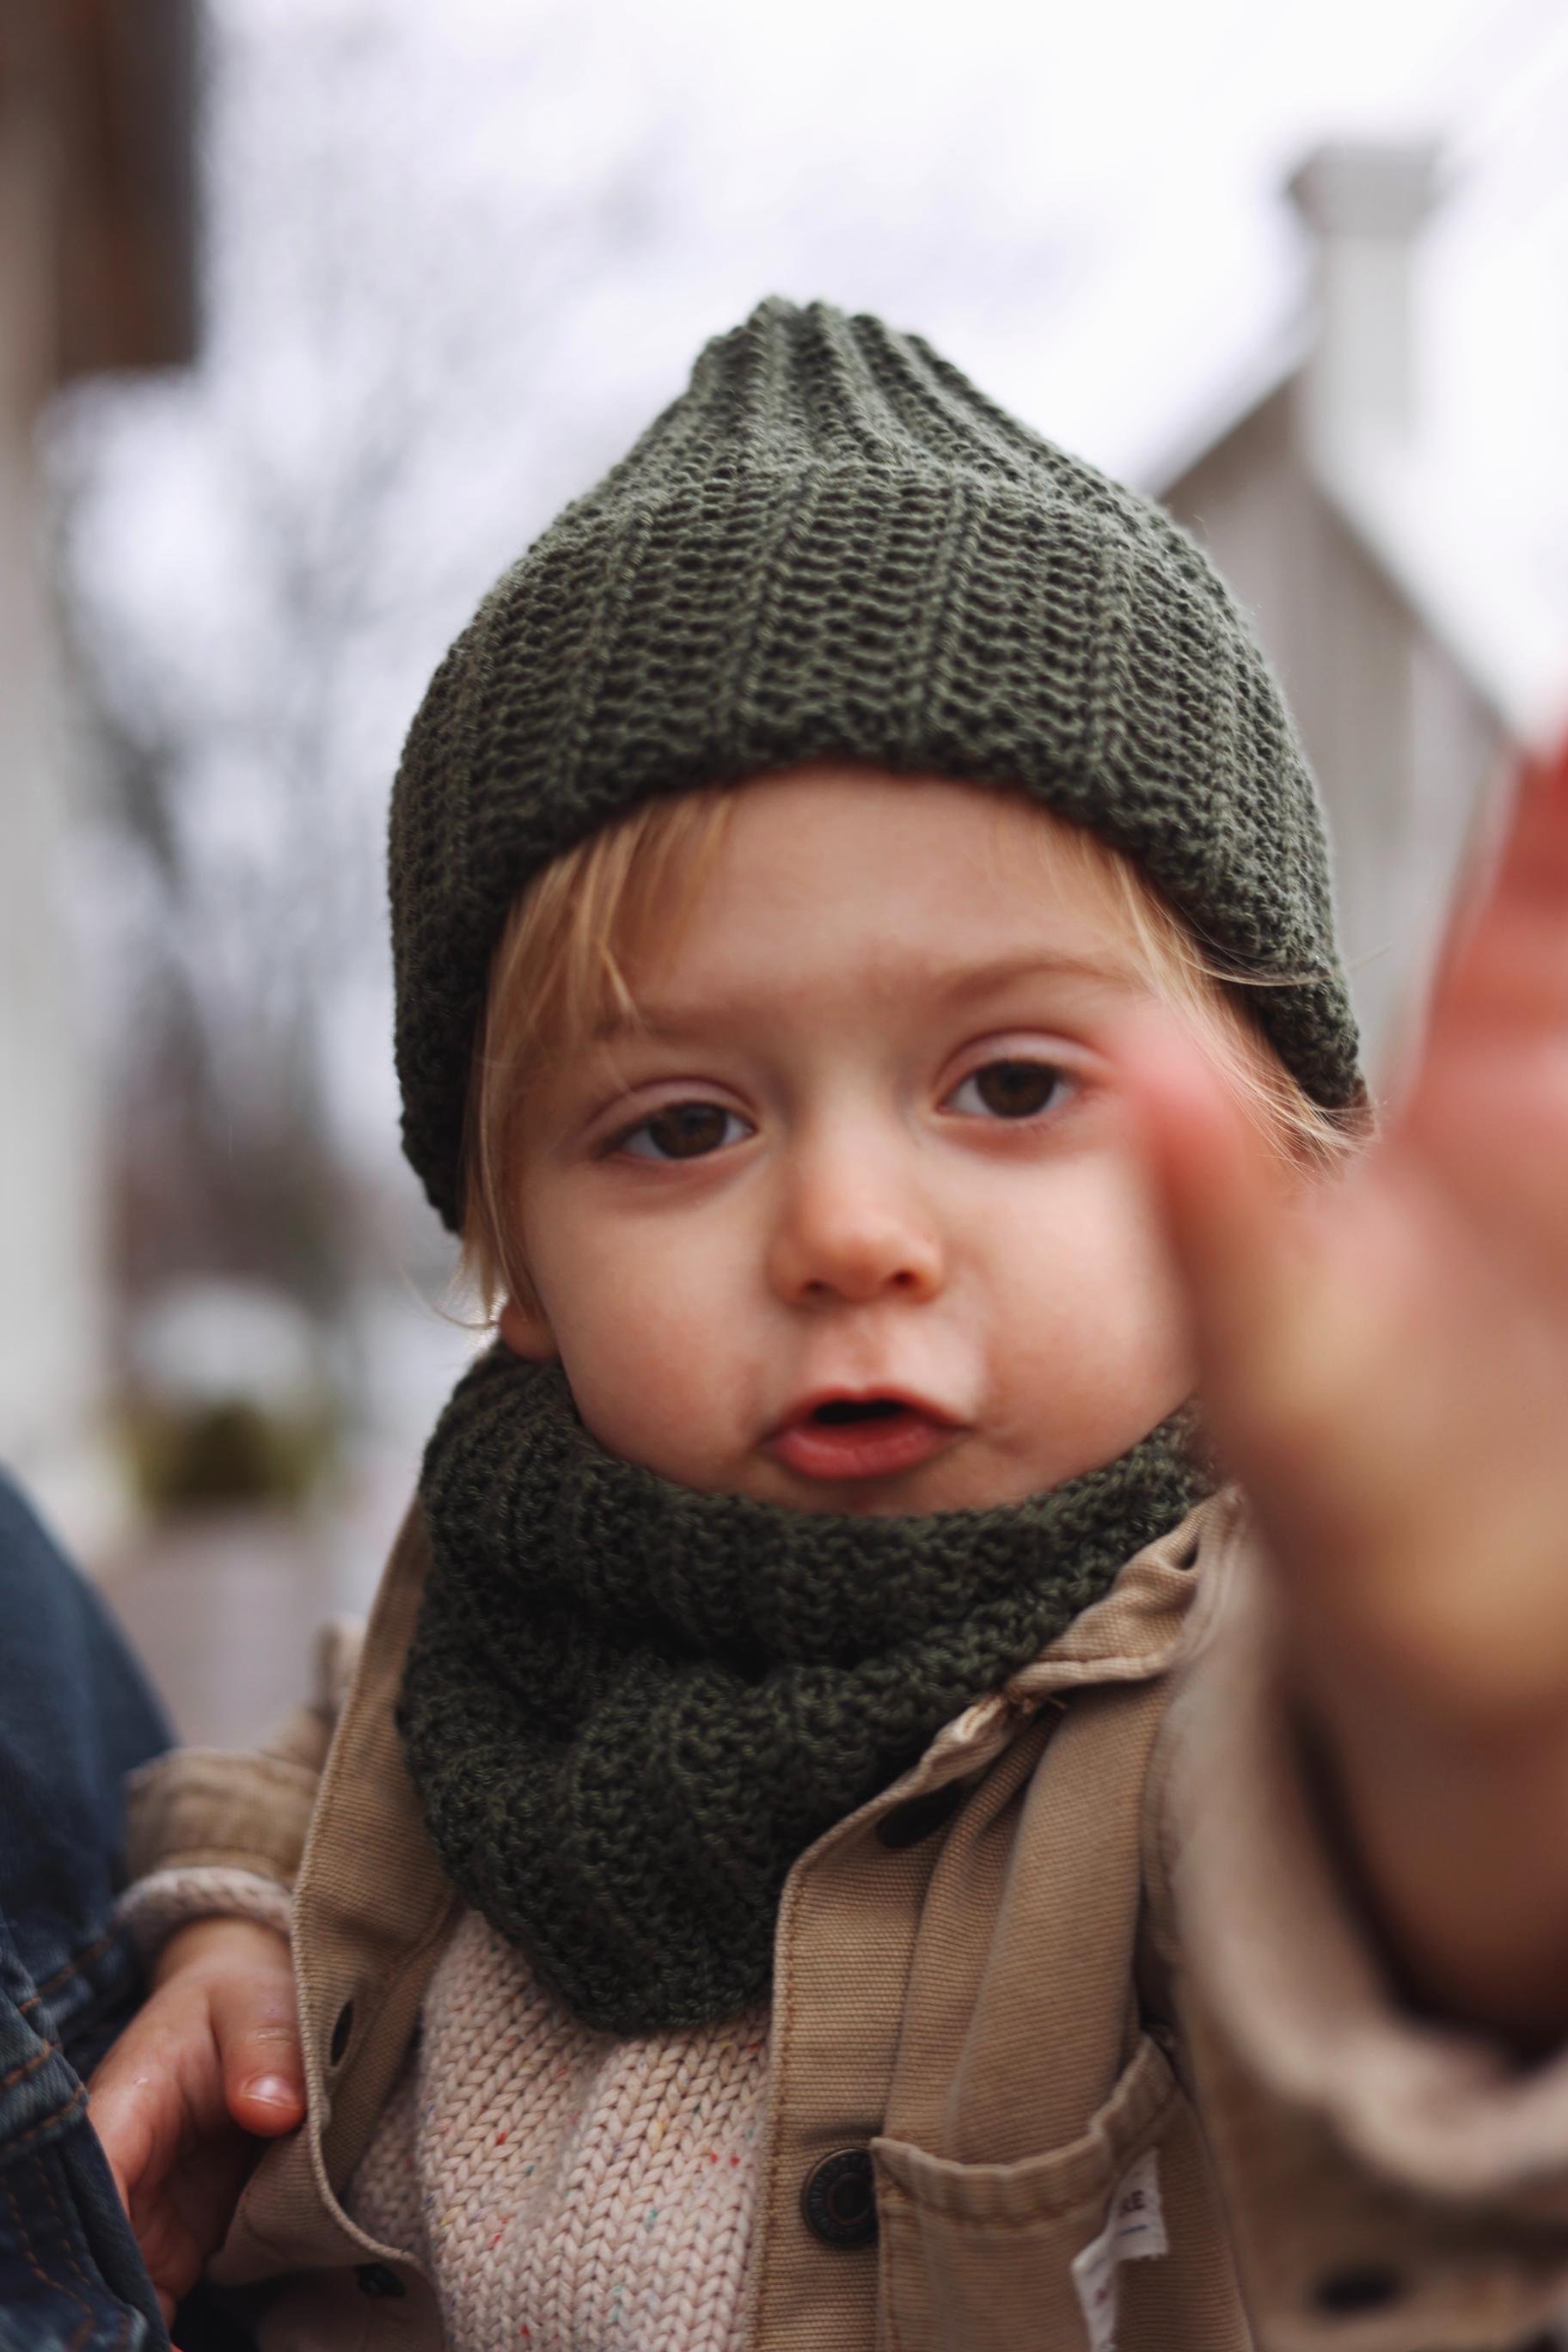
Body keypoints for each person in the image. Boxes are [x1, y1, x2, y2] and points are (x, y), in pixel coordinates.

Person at [83, 297, 1568, 2349]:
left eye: (1011, 1086)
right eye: (681, 1125)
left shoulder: (1247, 1701)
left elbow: (1395, 1958)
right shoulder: (494, 1638)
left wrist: (1477, 1786)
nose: (850, 1233)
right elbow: (331, 1756)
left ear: (1287, 1162)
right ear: (516, 1268)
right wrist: (245, 1927)